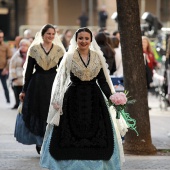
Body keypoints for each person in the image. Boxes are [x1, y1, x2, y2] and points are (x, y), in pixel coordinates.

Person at [40, 27, 126, 170]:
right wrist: (57, 99)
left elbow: (103, 81)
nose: (84, 41)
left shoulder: (97, 57)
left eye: (86, 38)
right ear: (76, 40)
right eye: (81, 38)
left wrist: (112, 96)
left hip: (94, 99)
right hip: (73, 98)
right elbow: (61, 79)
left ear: (91, 40)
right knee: (69, 131)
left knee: (98, 131)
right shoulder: (69, 57)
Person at [18, 24, 65, 154]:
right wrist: (24, 89)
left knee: (51, 112)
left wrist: (63, 87)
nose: (50, 36)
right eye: (48, 33)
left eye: (52, 34)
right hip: (37, 84)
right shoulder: (34, 49)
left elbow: (62, 71)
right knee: (38, 111)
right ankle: (40, 141)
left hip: (52, 83)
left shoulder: (59, 50)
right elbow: (28, 71)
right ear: (42, 34)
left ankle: (50, 141)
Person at [9, 39, 30, 109]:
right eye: (22, 45)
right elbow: (12, 67)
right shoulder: (16, 55)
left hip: (25, 78)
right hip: (17, 77)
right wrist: (13, 77)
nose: (23, 47)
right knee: (16, 91)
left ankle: (24, 105)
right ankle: (17, 104)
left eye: (25, 45)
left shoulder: (30, 55)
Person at [0, 29, 12, 104]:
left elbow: (10, 58)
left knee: (5, 86)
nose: (0, 38)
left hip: (2, 69)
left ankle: (8, 101)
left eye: (1, 37)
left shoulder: (6, 45)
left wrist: (6, 69)